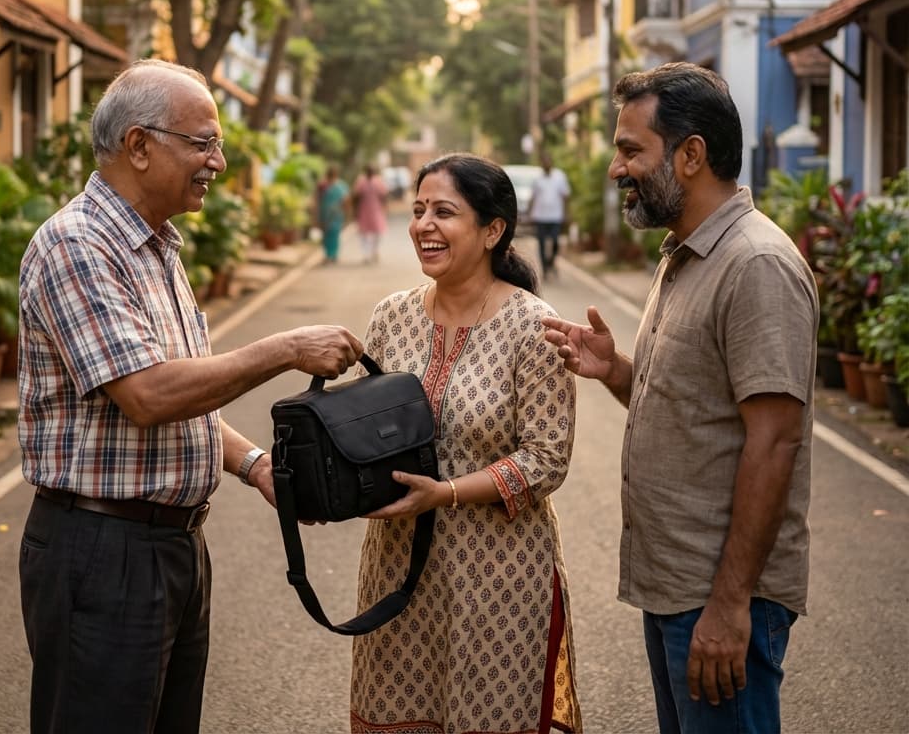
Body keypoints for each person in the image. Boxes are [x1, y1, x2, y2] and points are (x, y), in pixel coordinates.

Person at [16, 59, 362, 734]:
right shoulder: (78, 245)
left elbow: (182, 393)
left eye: (217, 144)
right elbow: (148, 394)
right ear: (139, 145)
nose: (218, 163)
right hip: (104, 547)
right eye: (203, 143)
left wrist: (255, 466)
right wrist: (285, 348)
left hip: (170, 546)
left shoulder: (155, 249)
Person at [542, 62, 817, 734]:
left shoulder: (755, 265)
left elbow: (775, 441)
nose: (616, 169)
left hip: (718, 595)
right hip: (678, 585)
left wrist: (729, 604)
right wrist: (616, 372)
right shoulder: (688, 253)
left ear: (690, 155)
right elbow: (698, 410)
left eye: (631, 150)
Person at [350, 152, 584, 734]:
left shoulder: (535, 326)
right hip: (396, 569)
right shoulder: (390, 317)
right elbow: (361, 431)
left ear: (492, 230)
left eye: (444, 212)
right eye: (418, 210)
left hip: (499, 579)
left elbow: (547, 458)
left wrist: (447, 493)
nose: (423, 226)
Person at [530, 152, 572, 278]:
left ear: (551, 162)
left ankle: (550, 262)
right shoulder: (537, 179)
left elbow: (565, 197)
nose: (546, 164)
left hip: (555, 216)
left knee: (555, 241)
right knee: (541, 243)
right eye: (544, 162)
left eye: (548, 161)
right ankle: (545, 268)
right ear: (541, 164)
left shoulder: (560, 177)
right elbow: (533, 197)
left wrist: (567, 213)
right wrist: (529, 212)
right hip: (540, 216)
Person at [352, 163, 388, 263]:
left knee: (378, 232)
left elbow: (384, 196)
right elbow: (356, 197)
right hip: (364, 210)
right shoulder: (360, 182)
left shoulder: (378, 181)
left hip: (377, 210)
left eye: (371, 171)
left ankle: (375, 251)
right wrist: (355, 210)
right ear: (366, 171)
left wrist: (385, 208)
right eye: (368, 171)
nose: (370, 173)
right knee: (364, 234)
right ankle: (366, 255)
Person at [318, 165, 349, 264]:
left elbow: (345, 200)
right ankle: (330, 255)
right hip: (329, 214)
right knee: (329, 235)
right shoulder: (323, 185)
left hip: (334, 214)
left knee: (332, 234)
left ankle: (331, 255)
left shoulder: (339, 186)